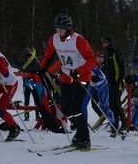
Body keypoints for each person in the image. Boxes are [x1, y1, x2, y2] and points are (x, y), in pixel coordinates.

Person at [38, 9, 96, 149]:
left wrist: (79, 71)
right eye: (57, 29)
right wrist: (43, 69)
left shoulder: (78, 39)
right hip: (66, 77)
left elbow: (92, 59)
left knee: (75, 106)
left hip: (81, 77)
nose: (59, 32)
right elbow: (49, 54)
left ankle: (85, 137)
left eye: (61, 30)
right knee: (66, 109)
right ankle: (78, 131)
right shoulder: (54, 39)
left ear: (68, 29)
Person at [82, 50, 116, 130]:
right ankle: (83, 126)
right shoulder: (80, 63)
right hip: (92, 85)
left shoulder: (91, 64)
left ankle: (114, 125)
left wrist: (95, 78)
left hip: (102, 84)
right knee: (83, 104)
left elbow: (100, 76)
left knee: (104, 106)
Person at [101, 36, 127, 134]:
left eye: (106, 43)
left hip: (117, 82)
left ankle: (123, 124)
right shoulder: (107, 54)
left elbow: (121, 68)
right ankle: (115, 124)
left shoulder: (115, 53)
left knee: (116, 103)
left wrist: (119, 81)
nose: (104, 45)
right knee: (112, 104)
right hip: (109, 83)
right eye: (103, 43)